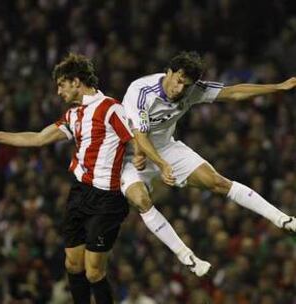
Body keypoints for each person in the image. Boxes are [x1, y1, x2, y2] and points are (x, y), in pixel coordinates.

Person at [0, 53, 134, 304]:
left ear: (76, 82)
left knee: (94, 271)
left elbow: (134, 139)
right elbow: (38, 138)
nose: (58, 92)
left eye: (61, 84)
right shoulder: (74, 115)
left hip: (107, 199)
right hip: (80, 193)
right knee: (72, 264)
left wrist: (146, 161)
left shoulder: (111, 108)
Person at [120, 51, 296, 270]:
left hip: (165, 147)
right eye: (179, 82)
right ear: (170, 72)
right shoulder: (141, 91)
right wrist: (162, 165)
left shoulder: (191, 90)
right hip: (128, 155)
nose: (180, 90)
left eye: (187, 86)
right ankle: (187, 256)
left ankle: (283, 219)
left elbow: (233, 93)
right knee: (140, 200)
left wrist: (277, 87)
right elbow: (140, 137)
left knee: (217, 182)